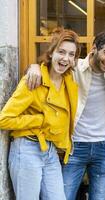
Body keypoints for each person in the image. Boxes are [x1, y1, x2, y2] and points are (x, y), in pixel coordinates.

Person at [26, 29, 105, 200]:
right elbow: (51, 65)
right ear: (94, 48)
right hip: (75, 146)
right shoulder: (75, 68)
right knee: (62, 196)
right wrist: (33, 67)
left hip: (104, 148)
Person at [0, 28, 81, 200]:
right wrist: (40, 120)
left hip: (50, 151)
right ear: (51, 53)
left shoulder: (69, 82)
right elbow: (4, 119)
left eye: (71, 54)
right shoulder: (33, 80)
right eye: (61, 51)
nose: (66, 58)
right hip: (27, 149)